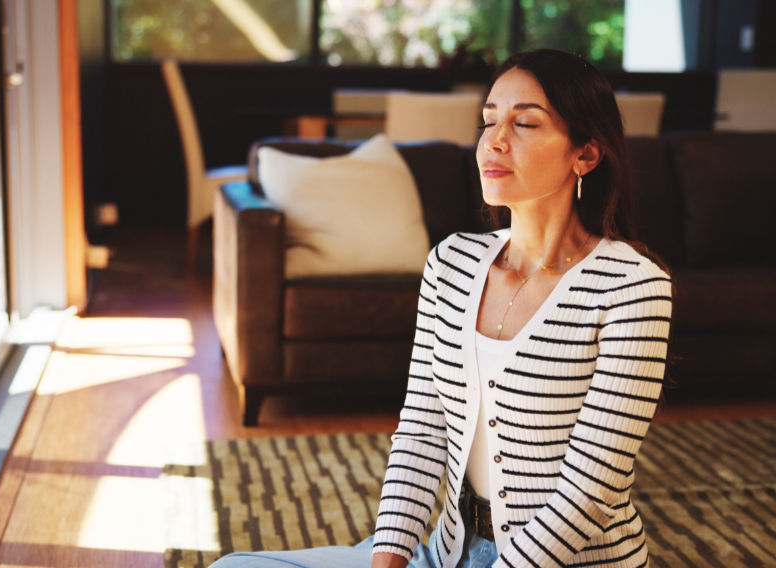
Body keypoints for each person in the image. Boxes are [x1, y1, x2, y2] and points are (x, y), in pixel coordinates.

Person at [211, 48, 672, 568]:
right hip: (450, 553)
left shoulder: (632, 287)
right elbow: (422, 429)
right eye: (489, 120)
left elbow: (590, 489)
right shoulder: (451, 261)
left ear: (585, 155)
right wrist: (388, 556)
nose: (494, 141)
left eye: (525, 123)